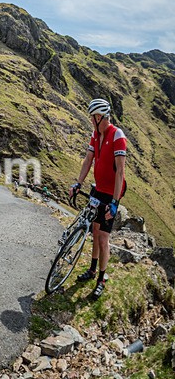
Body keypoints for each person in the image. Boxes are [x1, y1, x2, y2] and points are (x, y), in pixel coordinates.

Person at [69, 98, 127, 299]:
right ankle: (92, 270)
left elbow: (120, 172)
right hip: (97, 189)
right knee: (94, 230)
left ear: (102, 116)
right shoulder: (95, 134)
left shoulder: (117, 135)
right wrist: (78, 183)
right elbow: (88, 160)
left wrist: (114, 202)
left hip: (111, 194)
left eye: (93, 118)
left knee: (103, 238)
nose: (91, 121)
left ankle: (102, 278)